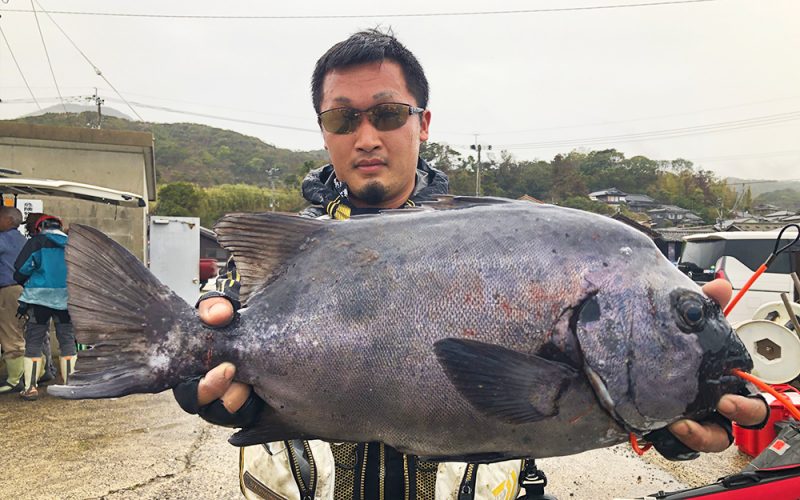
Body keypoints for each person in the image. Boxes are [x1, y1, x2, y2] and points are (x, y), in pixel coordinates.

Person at [174, 29, 770, 499]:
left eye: (387, 113)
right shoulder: (272, 262)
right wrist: (203, 381)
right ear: (324, 130)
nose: (366, 136)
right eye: (341, 118)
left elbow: (598, 377)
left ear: (422, 123)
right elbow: (197, 357)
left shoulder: (509, 238)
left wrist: (670, 411)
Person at [14, 214, 76, 401]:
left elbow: (21, 268)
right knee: (67, 341)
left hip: (39, 299)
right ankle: (69, 386)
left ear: (40, 228)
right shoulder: (72, 243)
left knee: (34, 342)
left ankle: (30, 387)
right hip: (66, 298)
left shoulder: (37, 242)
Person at [0, 206, 28, 394]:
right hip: (23, 291)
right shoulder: (22, 240)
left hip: (8, 291)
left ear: (9, 220)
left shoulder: (4, 239)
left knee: (10, 334)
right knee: (21, 332)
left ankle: (15, 380)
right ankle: (35, 373)